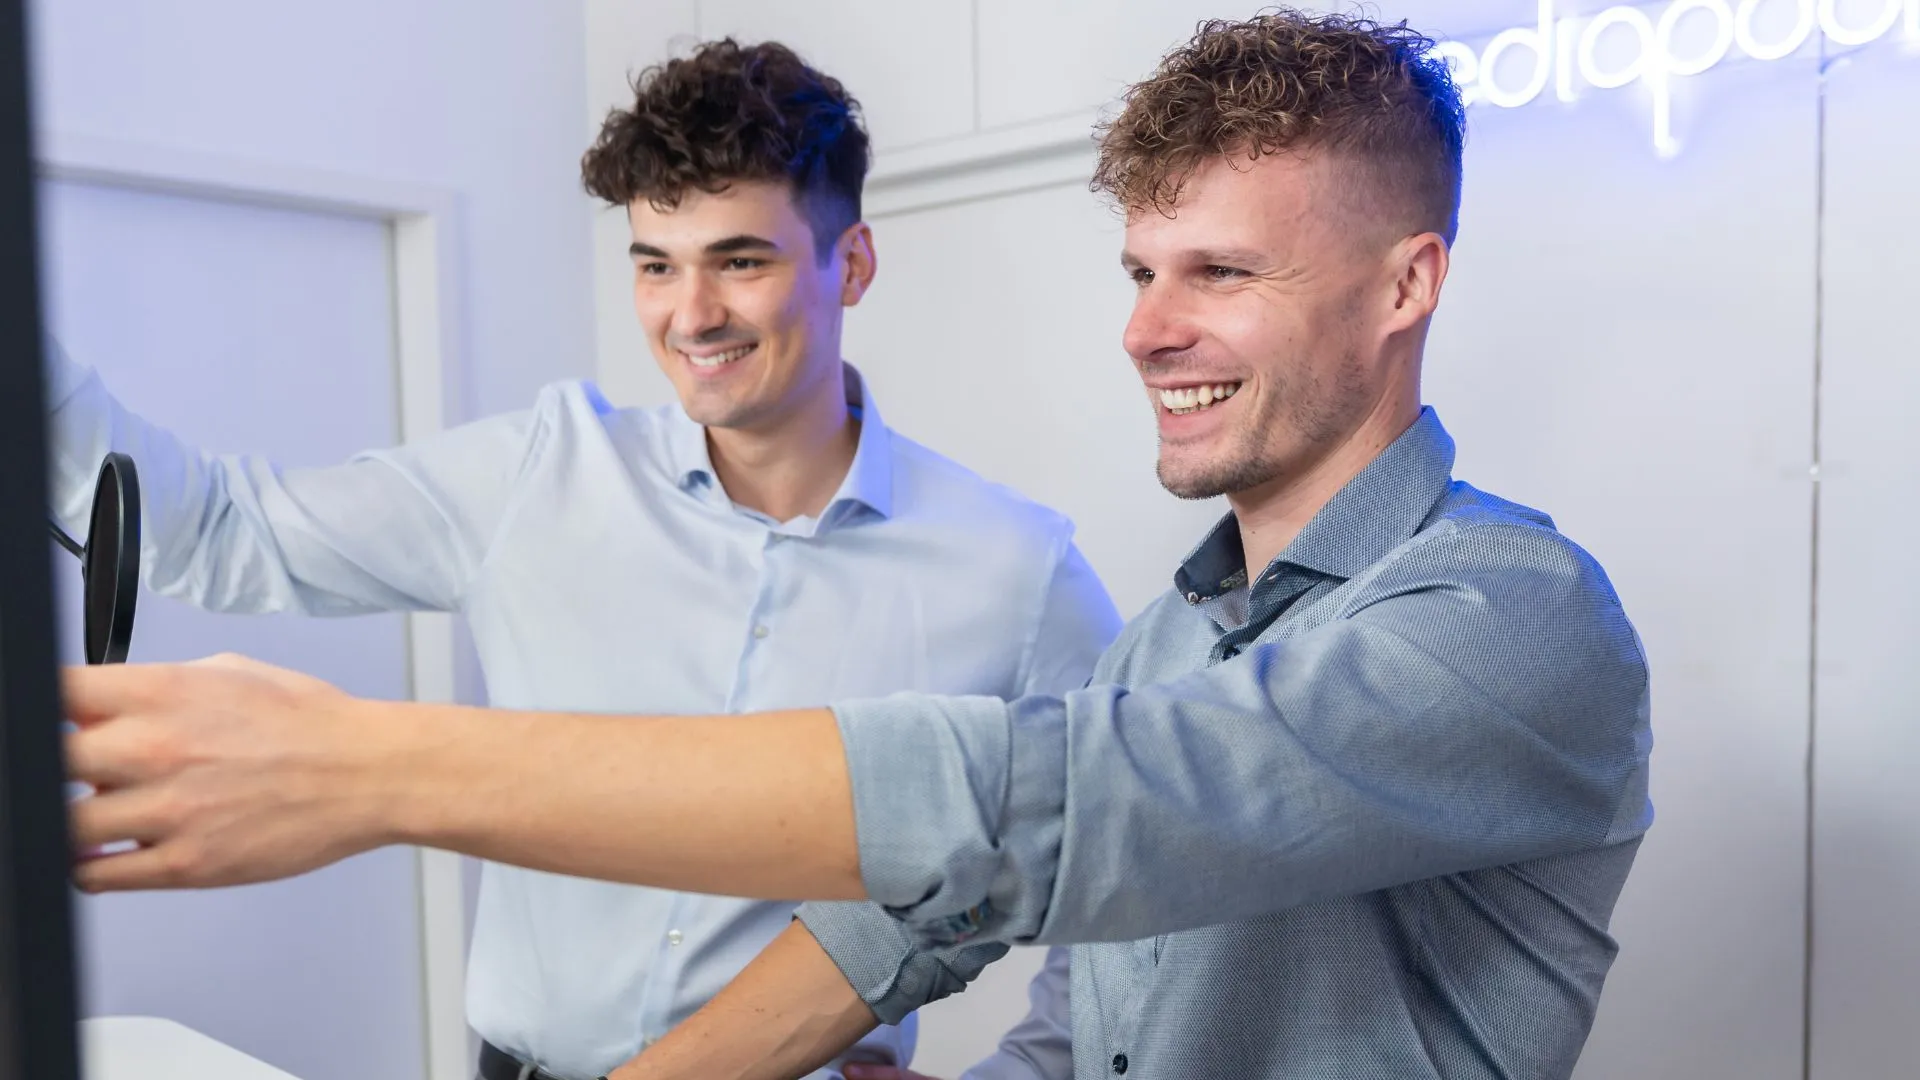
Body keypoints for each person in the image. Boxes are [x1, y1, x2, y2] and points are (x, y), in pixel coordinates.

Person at [61, 11, 1654, 1080]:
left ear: (1403, 287)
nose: (1148, 332)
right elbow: (1011, 961)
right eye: (1140, 271)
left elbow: (1046, 814)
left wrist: (367, 771)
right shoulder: (1178, 640)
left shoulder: (1510, 615)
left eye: (1219, 275)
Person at [46, 37, 1120, 1080]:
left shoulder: (1017, 572)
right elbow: (216, 532)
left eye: (739, 261)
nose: (690, 315)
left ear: (853, 263)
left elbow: (1122, 880)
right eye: (656, 265)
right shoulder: (540, 473)